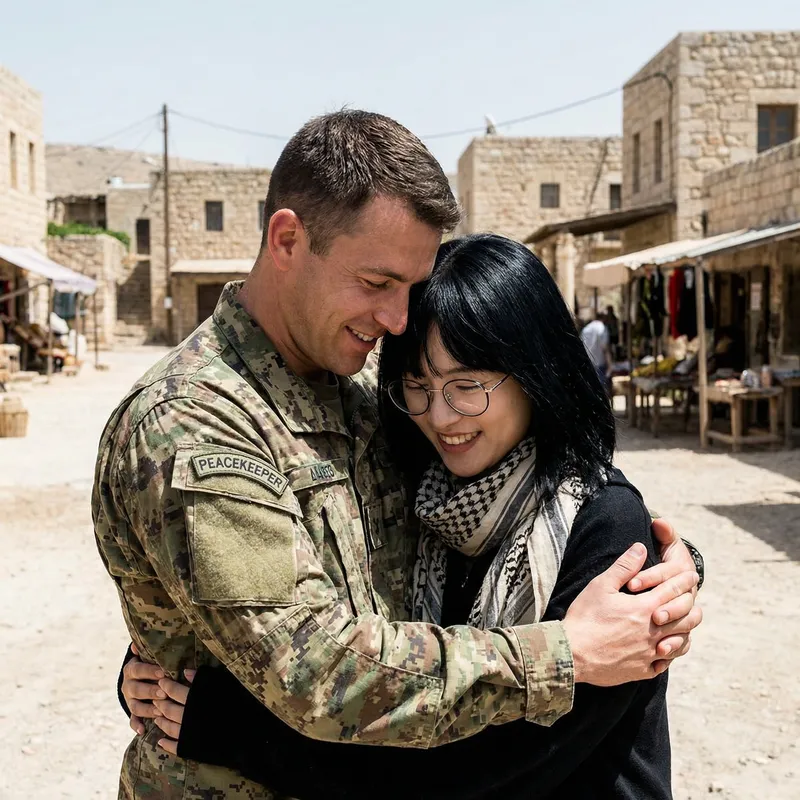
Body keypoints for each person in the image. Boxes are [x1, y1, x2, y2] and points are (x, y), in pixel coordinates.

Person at [100, 111, 702, 800]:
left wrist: (663, 574)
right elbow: (315, 671)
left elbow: (543, 498)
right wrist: (566, 654)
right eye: (378, 282)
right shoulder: (195, 423)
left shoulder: (360, 391)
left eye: (410, 290)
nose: (396, 321)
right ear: (288, 239)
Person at [581, 312, 612, 392]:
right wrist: (610, 366)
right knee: (602, 392)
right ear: (604, 318)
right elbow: (605, 348)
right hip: (600, 365)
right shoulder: (602, 328)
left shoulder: (585, 329)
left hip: (588, 364)